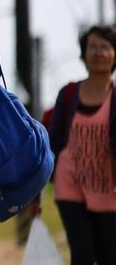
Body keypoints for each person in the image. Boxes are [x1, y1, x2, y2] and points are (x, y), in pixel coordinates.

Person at [46, 25, 116, 265]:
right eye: (92, 47)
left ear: (114, 54)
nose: (98, 53)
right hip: (70, 184)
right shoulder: (68, 94)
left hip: (108, 187)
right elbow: (53, 141)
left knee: (108, 256)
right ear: (84, 54)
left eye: (105, 47)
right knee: (82, 254)